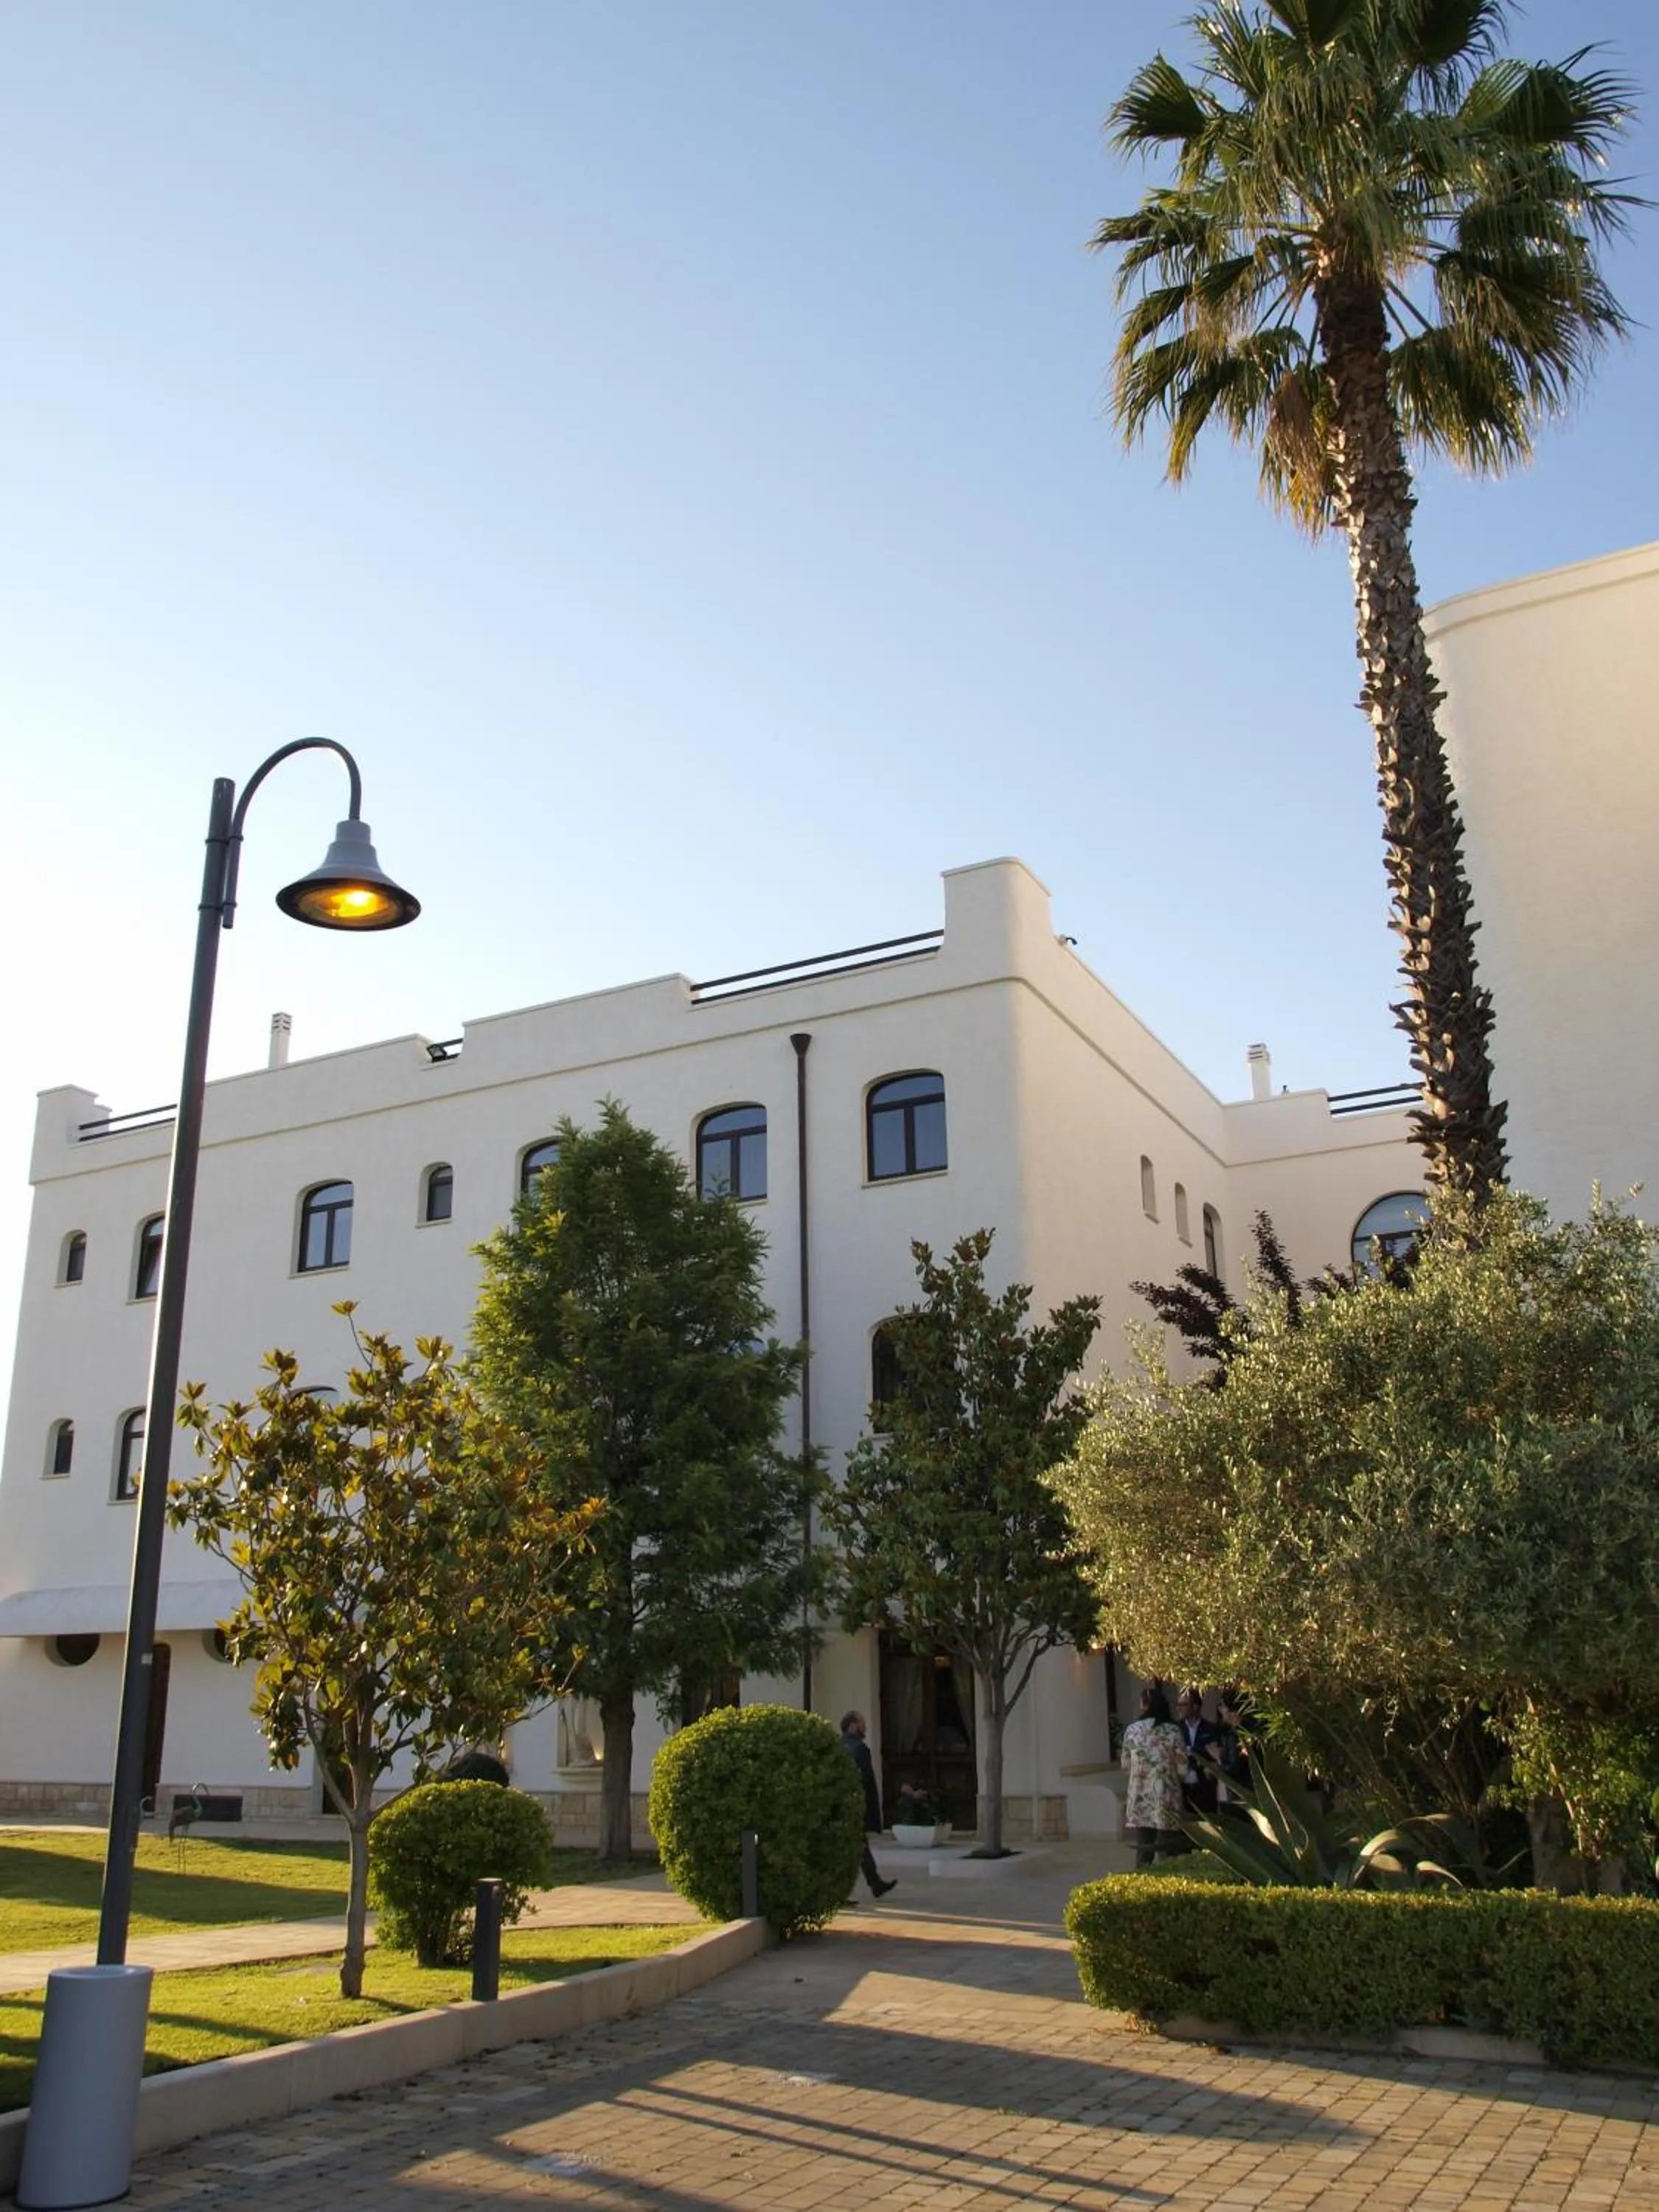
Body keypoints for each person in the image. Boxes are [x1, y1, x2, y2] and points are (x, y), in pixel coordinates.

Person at [1121, 1683, 1186, 1868]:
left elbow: (1126, 1764)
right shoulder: (1173, 1731)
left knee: (1144, 1848)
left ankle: (1143, 1884)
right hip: (1167, 1795)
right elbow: (1183, 1768)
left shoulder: (1132, 1731)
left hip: (1140, 1795)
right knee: (1169, 1847)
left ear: (1144, 1705)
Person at [840, 1711, 897, 1899]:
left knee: (858, 1845)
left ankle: (875, 1883)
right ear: (853, 1725)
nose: (865, 1727)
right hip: (855, 1804)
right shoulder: (859, 1748)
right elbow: (865, 1780)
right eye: (862, 1723)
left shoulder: (839, 1746)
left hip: (844, 1804)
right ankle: (869, 1885)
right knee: (854, 1847)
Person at [1176, 1686, 1222, 1822]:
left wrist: (1191, 1750)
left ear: (1195, 1707)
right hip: (1182, 1787)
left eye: (1183, 1704)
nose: (1179, 1708)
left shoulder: (1211, 1729)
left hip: (1205, 1786)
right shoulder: (1176, 1729)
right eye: (1178, 1704)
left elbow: (1214, 1752)